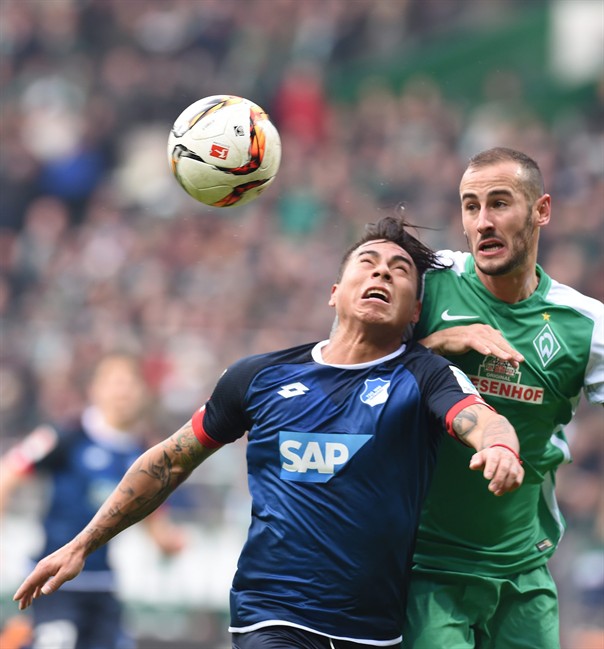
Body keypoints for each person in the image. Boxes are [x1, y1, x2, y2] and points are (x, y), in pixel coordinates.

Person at [12, 216, 524, 648]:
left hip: (372, 629)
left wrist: (499, 447)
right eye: (367, 263)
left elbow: (479, 419)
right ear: (334, 293)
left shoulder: (424, 375)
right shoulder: (259, 377)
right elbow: (169, 461)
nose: (382, 274)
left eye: (400, 270)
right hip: (270, 613)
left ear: (415, 310)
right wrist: (82, 544)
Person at [403, 147, 604, 649]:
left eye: (499, 203)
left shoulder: (586, 325)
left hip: (524, 572)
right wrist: (432, 347)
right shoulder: (427, 282)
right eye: (471, 206)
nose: (483, 222)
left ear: (542, 211)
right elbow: (351, 378)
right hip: (426, 570)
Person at [0, 352, 185, 649]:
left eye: (129, 384)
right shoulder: (66, 435)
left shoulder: (142, 452)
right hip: (54, 582)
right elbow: (8, 473)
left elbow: (147, 512)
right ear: (95, 389)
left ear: (141, 393)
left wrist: (166, 540)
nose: (122, 392)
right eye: (115, 383)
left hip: (102, 584)